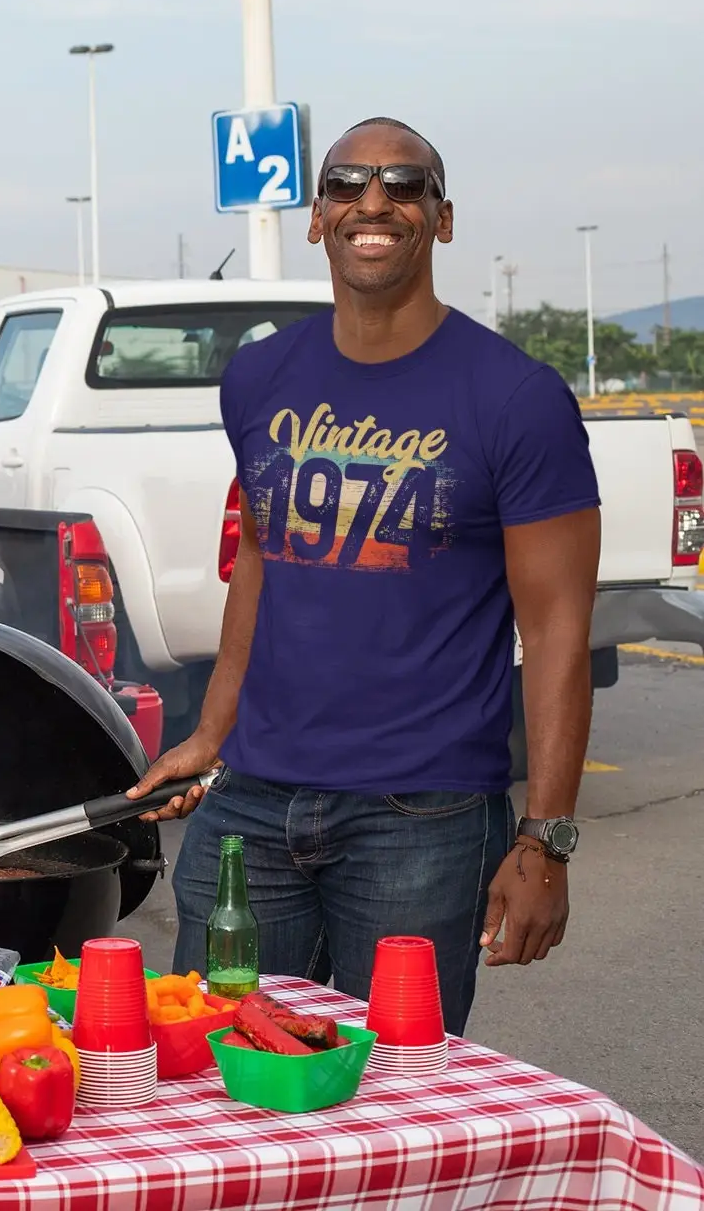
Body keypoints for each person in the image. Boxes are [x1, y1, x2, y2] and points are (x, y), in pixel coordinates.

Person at [128, 117, 601, 1034]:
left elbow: (554, 633)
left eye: (402, 184)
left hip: (418, 818)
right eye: (346, 183)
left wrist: (546, 839)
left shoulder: (515, 397)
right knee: (218, 1078)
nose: (372, 202)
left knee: (388, 1102)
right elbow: (263, 555)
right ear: (317, 219)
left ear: (442, 218)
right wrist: (211, 730)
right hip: (254, 810)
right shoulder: (261, 375)